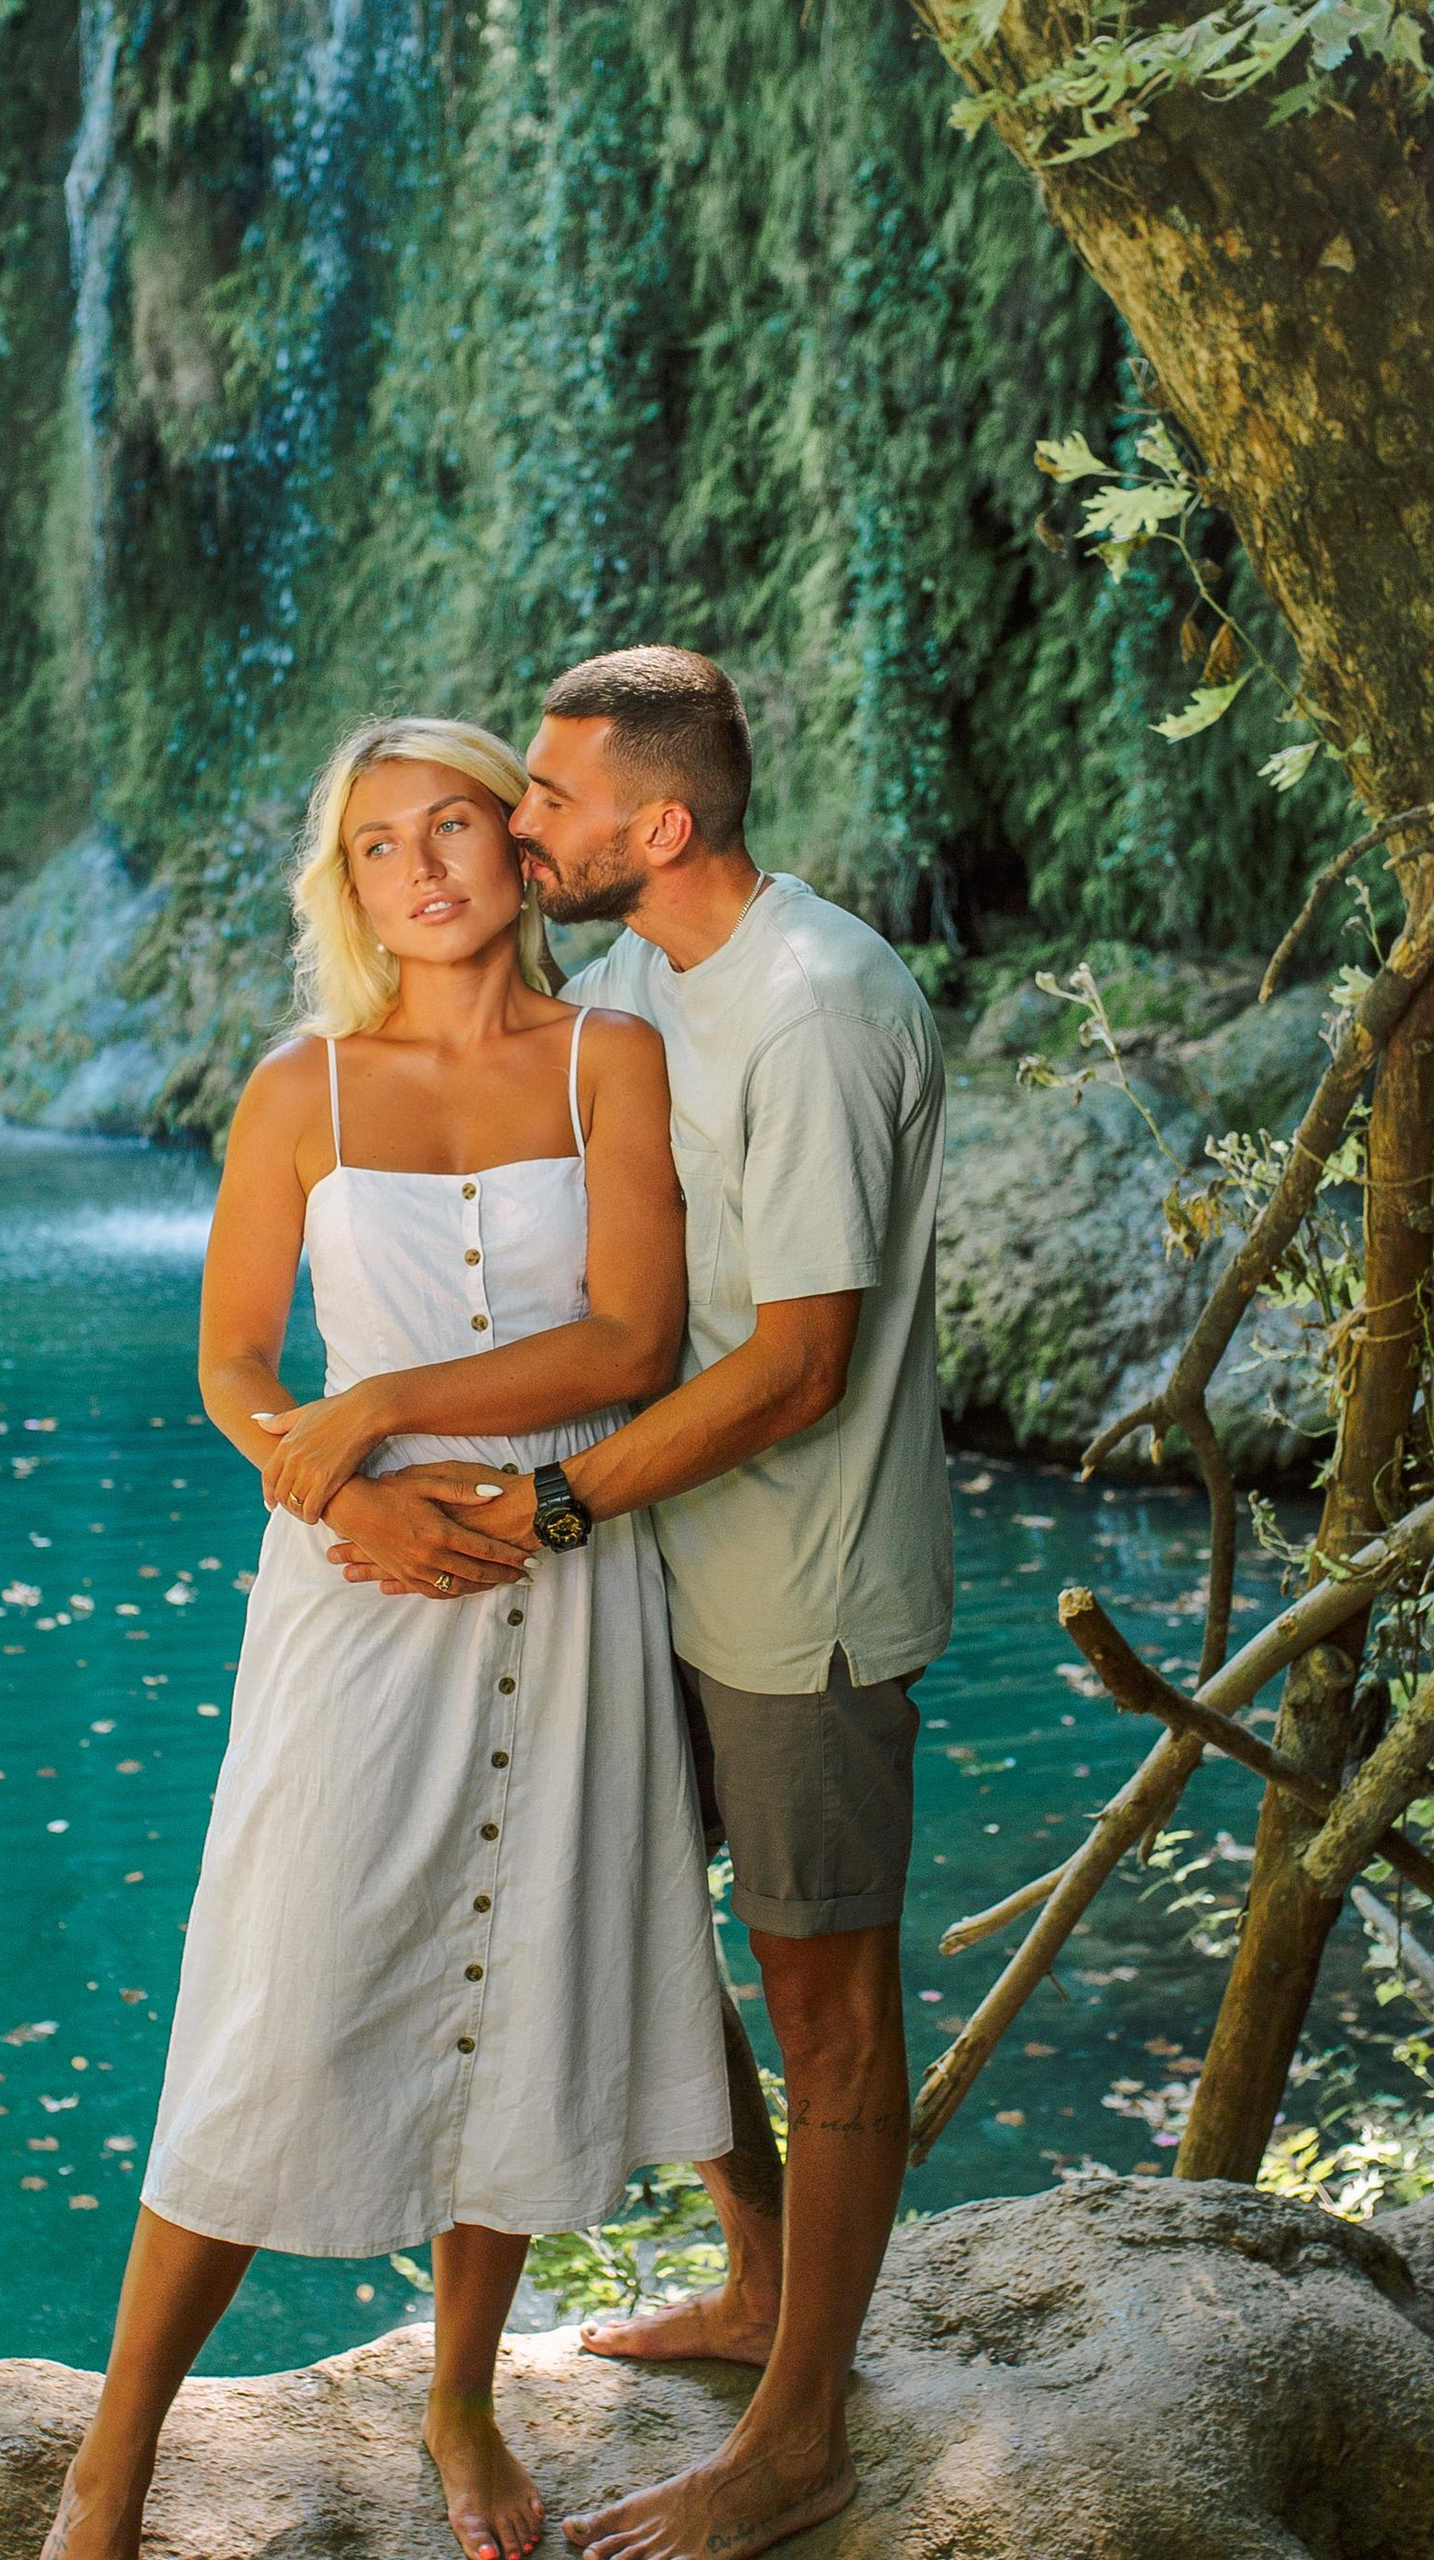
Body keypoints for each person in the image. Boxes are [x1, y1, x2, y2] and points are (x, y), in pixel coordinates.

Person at [39, 715, 734, 2560]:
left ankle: (460, 2396)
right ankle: (111, 2460)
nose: (419, 869)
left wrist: (390, 1404)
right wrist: (340, 1485)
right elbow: (234, 1370)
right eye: (372, 846)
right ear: (340, 883)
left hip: (565, 1570)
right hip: (351, 1593)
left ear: (518, 848)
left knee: (507, 1987)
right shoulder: (301, 1089)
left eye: (450, 827)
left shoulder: (614, 1057)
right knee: (276, 1997)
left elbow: (632, 1348)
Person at [334, 649, 952, 2560]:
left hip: (799, 1590)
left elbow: (799, 1369)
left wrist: (554, 1501)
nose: (520, 826)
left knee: (826, 2001)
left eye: (547, 801)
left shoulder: (818, 1009)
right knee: (655, 1942)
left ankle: (800, 2440)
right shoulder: (633, 983)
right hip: (654, 1577)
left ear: (658, 828)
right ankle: (761, 2284)